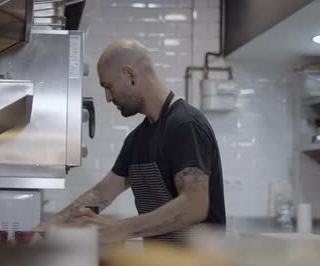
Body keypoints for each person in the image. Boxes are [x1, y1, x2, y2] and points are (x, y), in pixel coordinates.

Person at [37, 39, 226, 244]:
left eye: (108, 86)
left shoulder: (184, 125)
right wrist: (44, 230)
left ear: (130, 75)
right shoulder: (137, 140)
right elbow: (101, 194)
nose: (108, 98)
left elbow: (194, 206)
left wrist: (119, 229)